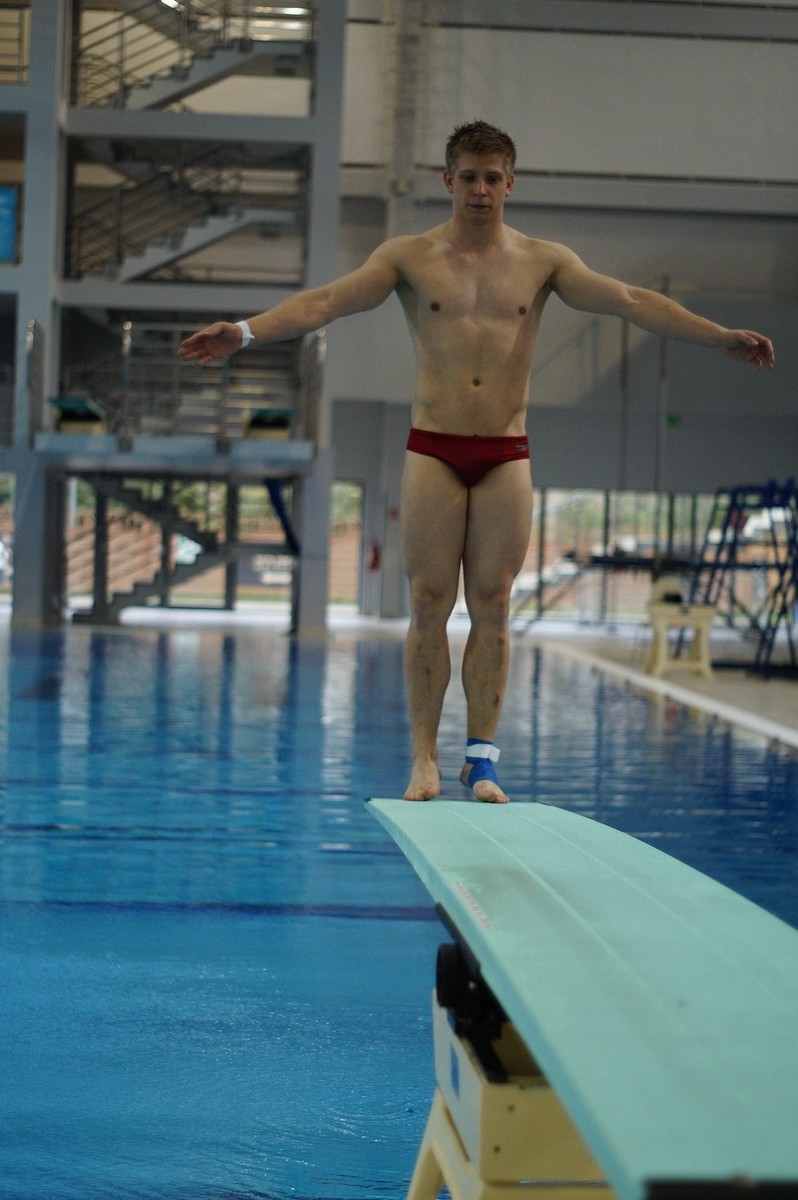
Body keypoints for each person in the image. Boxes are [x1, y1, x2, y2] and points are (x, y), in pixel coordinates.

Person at [178, 120, 775, 805]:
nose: (481, 190)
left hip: (504, 451)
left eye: (493, 178)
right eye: (469, 177)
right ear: (449, 181)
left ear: (510, 183)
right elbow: (328, 301)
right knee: (428, 603)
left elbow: (633, 302)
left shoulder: (544, 262)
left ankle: (481, 761)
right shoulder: (409, 257)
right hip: (434, 447)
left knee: (493, 604)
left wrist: (717, 336)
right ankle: (424, 757)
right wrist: (245, 332)